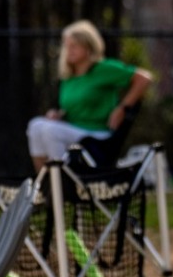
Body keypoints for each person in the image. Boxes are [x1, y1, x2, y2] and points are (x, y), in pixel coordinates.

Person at [24, 21, 154, 171]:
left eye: (74, 46)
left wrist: (123, 108)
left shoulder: (103, 69)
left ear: (88, 47)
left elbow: (144, 79)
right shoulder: (69, 77)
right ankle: (46, 183)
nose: (68, 51)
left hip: (96, 134)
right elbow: (72, 108)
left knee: (49, 130)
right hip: (73, 129)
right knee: (36, 125)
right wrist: (58, 115)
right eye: (67, 46)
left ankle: (63, 181)